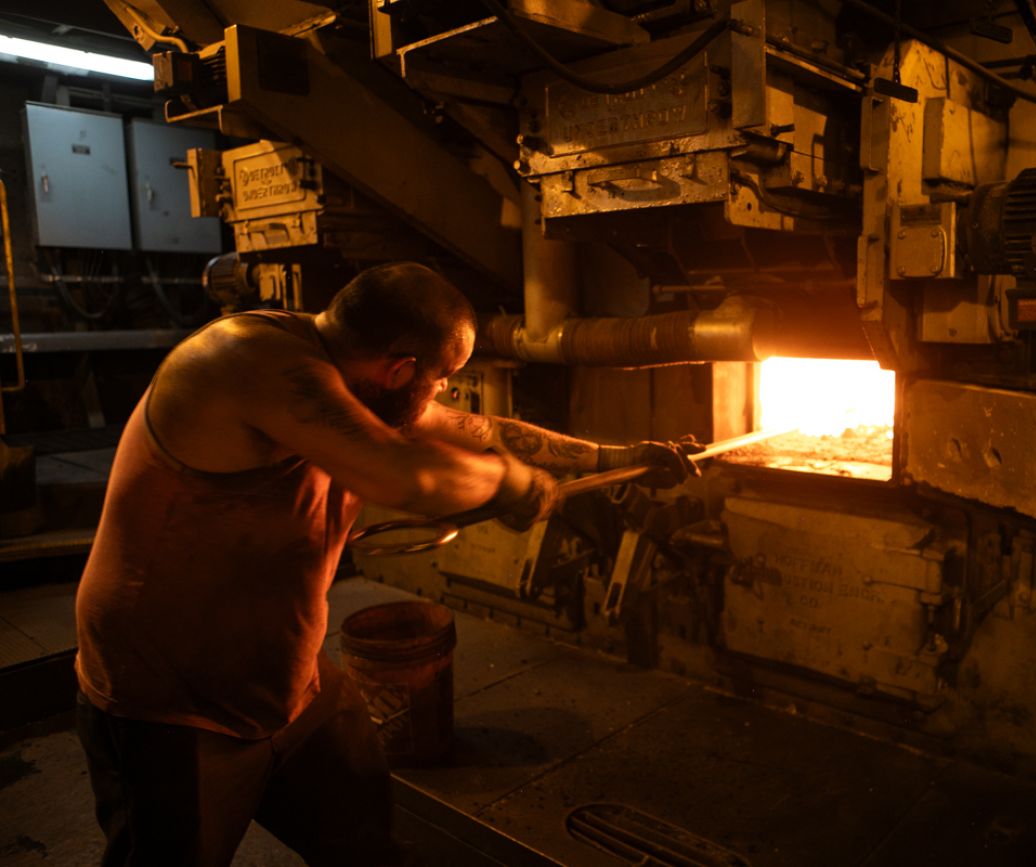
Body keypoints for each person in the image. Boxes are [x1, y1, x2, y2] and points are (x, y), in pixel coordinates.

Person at [74, 261, 701, 867]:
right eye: (443, 375)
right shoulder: (247, 360)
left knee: (366, 846)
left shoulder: (356, 379)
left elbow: (475, 428)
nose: (446, 390)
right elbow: (406, 475)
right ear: (400, 369)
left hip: (284, 679)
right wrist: (509, 483)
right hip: (170, 698)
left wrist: (612, 455)